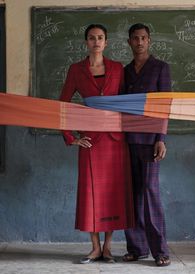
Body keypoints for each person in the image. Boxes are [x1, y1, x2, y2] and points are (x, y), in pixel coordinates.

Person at [60, 24, 134, 264]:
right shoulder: (76, 70)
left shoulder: (117, 68)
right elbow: (62, 105)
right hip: (90, 141)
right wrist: (72, 138)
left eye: (100, 37)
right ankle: (94, 248)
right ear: (86, 43)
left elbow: (126, 102)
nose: (96, 41)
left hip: (115, 140)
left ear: (106, 42)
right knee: (91, 194)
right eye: (91, 38)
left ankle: (108, 248)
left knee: (112, 193)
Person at [122, 23, 171, 267]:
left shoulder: (161, 68)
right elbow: (119, 105)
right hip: (128, 140)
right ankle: (137, 248)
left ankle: (160, 251)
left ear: (149, 41)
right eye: (135, 38)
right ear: (129, 42)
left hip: (151, 141)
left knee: (150, 194)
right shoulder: (126, 71)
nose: (139, 42)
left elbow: (165, 105)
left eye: (143, 38)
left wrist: (161, 139)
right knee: (132, 195)